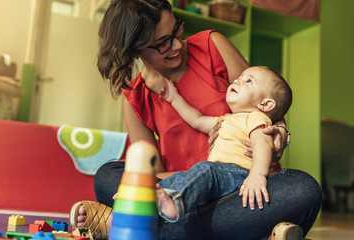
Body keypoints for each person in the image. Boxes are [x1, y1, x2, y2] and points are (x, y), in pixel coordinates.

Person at [69, 1, 322, 239]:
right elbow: (150, 175)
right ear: (134, 51)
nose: (177, 45)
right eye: (163, 43)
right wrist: (199, 181)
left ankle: (144, 228)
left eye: (176, 31)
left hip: (244, 187)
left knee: (304, 189)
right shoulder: (136, 100)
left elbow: (267, 98)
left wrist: (280, 133)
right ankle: (253, 231)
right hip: (179, 192)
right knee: (108, 176)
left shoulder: (213, 45)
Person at [156, 66, 292, 222]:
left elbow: (263, 144)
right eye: (240, 76)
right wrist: (174, 98)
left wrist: (257, 174)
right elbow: (197, 120)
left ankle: (172, 204)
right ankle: (143, 196)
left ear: (265, 104)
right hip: (221, 176)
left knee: (204, 169)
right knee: (183, 176)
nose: (238, 80)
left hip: (242, 175)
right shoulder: (226, 119)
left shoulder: (257, 118)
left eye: (249, 81)